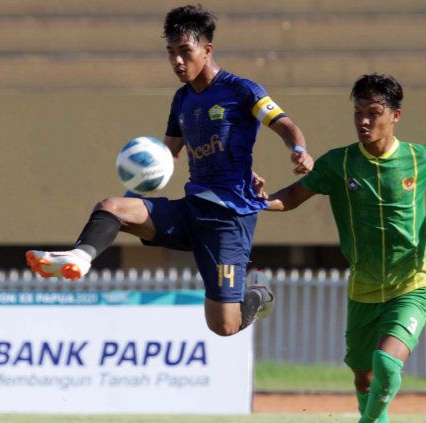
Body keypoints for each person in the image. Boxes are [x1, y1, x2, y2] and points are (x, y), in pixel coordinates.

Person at [26, 5, 313, 337]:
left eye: (185, 52)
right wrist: (135, 191)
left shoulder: (242, 90)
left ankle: (258, 294)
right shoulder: (182, 100)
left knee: (223, 325)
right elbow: (165, 159)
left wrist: (298, 150)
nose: (177, 61)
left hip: (228, 221)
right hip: (191, 210)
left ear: (207, 50)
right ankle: (79, 258)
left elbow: (285, 124)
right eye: (171, 53)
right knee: (111, 207)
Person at [265, 73, 426, 422]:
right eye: (358, 112)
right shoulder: (339, 163)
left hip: (412, 283)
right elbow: (292, 197)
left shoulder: (421, 158)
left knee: (386, 362)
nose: (363, 121)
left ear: (395, 116)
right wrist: (256, 200)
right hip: (364, 288)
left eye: (373, 113)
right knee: (364, 376)